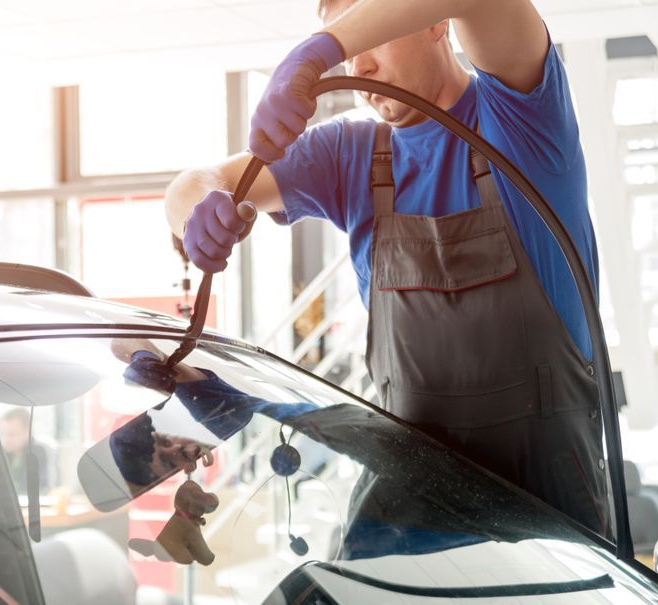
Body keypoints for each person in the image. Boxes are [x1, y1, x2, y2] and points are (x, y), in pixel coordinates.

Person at [164, 0, 610, 536]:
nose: (358, 67)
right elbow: (194, 180)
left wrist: (320, 51)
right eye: (344, 48)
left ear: (436, 21)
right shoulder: (347, 155)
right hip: (401, 529)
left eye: (368, 34)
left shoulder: (522, 119)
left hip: (551, 533)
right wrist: (199, 209)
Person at [0, 408, 55, 496]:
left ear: (28, 431)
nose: (6, 440)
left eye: (12, 434)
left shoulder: (40, 452)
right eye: (2, 434)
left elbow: (44, 486)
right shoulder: (0, 454)